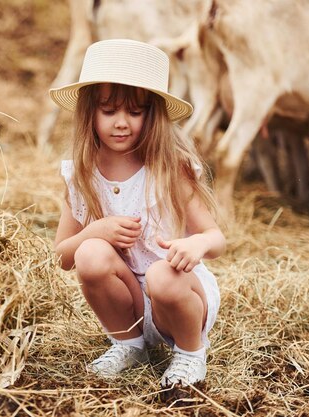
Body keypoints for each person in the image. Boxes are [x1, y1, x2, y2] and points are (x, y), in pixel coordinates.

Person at [50, 39, 226, 387]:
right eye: (109, 110)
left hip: (180, 294)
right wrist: (94, 231)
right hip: (128, 299)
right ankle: (129, 345)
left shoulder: (169, 169)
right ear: (90, 111)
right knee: (90, 253)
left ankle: (191, 354)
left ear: (153, 115)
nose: (121, 123)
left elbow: (216, 237)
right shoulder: (82, 174)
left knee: (162, 274)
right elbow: (61, 257)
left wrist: (196, 246)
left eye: (135, 112)